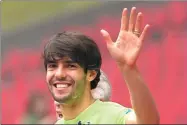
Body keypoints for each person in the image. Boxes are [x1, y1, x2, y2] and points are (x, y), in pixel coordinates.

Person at [43, 7, 160, 124]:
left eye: (70, 66)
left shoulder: (112, 115)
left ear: (91, 74)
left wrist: (128, 68)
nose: (59, 74)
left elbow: (148, 122)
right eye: (52, 66)